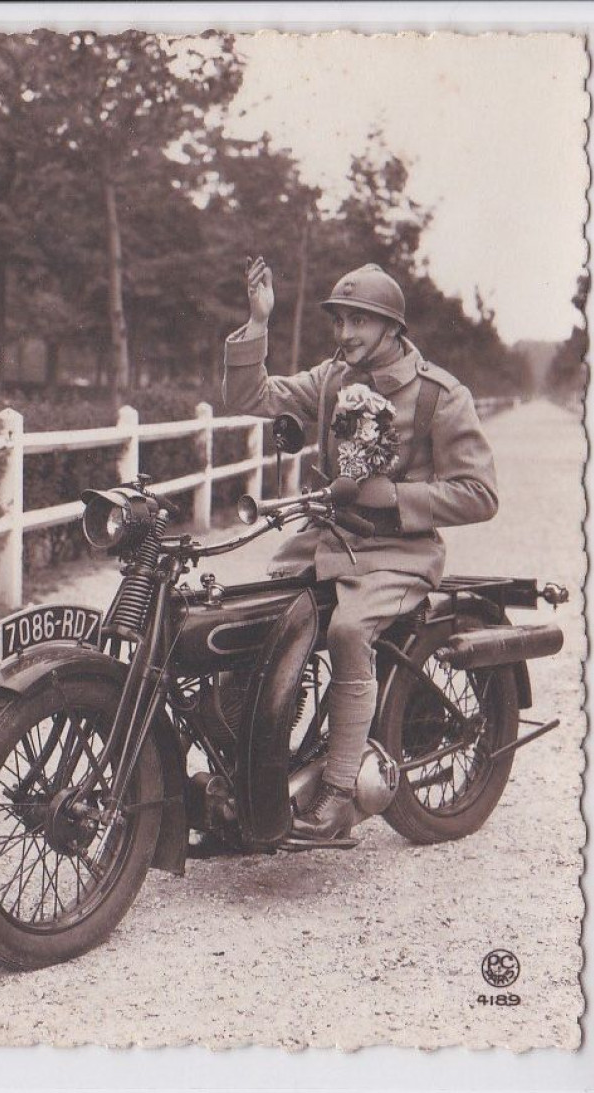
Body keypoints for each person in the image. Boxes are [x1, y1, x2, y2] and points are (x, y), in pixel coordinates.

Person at [223, 258, 499, 842]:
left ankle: (340, 793)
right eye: (339, 321)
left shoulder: (440, 395)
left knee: (349, 632)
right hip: (327, 541)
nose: (345, 333)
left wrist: (394, 496)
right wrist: (259, 321)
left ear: (392, 327)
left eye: (359, 321)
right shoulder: (331, 380)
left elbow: (480, 494)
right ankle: (261, 768)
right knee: (249, 616)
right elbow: (251, 395)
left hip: (399, 553)